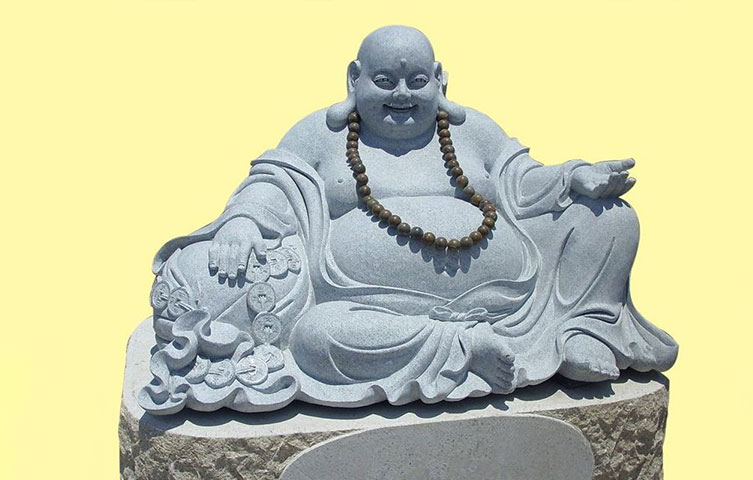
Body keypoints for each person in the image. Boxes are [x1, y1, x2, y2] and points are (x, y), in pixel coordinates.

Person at [139, 25, 677, 415]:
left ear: (440, 80)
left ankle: (581, 330)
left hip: (516, 297)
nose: (402, 94)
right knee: (316, 340)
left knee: (610, 219)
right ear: (354, 79)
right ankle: (461, 347)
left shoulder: (469, 130)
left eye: (417, 80)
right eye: (384, 80)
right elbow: (275, 180)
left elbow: (521, 180)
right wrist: (242, 222)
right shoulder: (323, 135)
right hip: (372, 306)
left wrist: (574, 176)